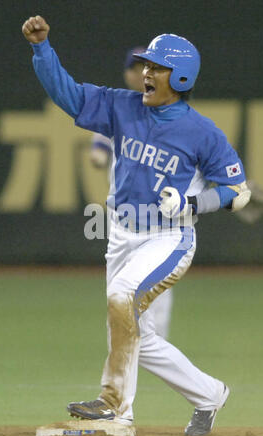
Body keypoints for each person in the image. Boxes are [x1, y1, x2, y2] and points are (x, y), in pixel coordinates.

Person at [22, 16, 252, 436]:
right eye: (146, 64)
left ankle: (115, 409)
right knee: (134, 333)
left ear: (179, 76)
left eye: (157, 67)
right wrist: (42, 49)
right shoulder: (121, 106)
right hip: (121, 236)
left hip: (169, 237)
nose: (146, 72)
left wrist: (192, 202)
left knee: (121, 297)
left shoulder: (202, 132)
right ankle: (209, 394)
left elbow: (238, 191)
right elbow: (69, 95)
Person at [90, 46, 173, 340]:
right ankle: (128, 345)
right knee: (120, 284)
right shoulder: (118, 110)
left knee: (157, 281)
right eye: (137, 68)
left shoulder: (170, 112)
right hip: (123, 211)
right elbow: (98, 152)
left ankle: (154, 346)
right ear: (127, 74)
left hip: (160, 211)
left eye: (149, 68)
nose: (142, 74)